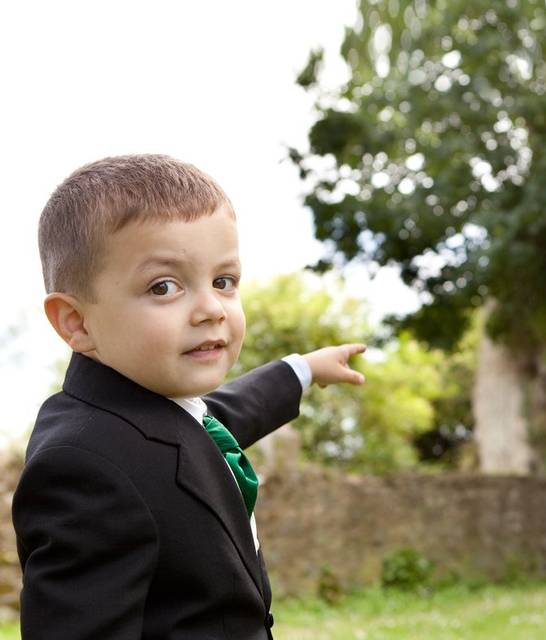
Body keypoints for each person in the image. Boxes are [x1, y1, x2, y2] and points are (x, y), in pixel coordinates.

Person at [13, 154, 366, 639]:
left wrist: (301, 370)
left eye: (224, 281)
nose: (211, 309)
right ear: (77, 322)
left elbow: (214, 424)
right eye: (164, 287)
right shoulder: (84, 466)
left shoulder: (147, 407)